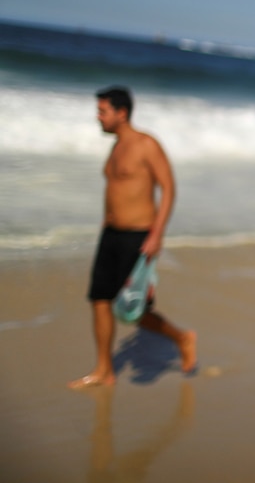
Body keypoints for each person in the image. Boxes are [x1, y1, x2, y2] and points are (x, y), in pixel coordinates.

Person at [68, 86, 197, 389]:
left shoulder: (145, 144)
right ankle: (104, 370)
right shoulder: (115, 147)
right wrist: (106, 221)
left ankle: (182, 338)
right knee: (99, 299)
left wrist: (157, 234)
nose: (97, 117)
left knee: (133, 311)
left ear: (121, 113)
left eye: (102, 111)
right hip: (110, 235)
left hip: (138, 237)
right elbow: (117, 191)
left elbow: (168, 188)